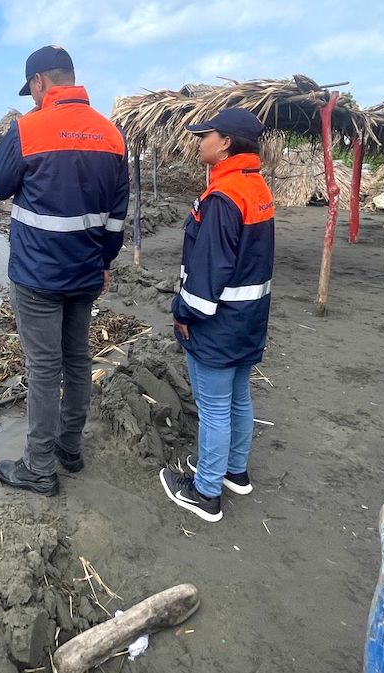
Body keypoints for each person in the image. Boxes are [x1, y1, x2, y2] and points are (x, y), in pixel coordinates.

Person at [0, 45, 129, 496]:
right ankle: (70, 447)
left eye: (31, 89)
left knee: (44, 367)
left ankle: (40, 466)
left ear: (41, 82)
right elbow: (117, 216)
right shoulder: (112, 134)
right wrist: (103, 262)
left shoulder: (27, 129)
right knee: (78, 358)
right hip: (86, 271)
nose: (30, 97)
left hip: (38, 275)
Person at [159, 107, 275, 522]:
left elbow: (210, 268)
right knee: (238, 397)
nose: (198, 141)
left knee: (213, 407)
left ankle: (206, 492)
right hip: (250, 317)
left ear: (224, 142)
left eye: (204, 135)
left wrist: (184, 312)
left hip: (220, 320)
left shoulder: (224, 197)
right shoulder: (255, 186)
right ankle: (234, 471)